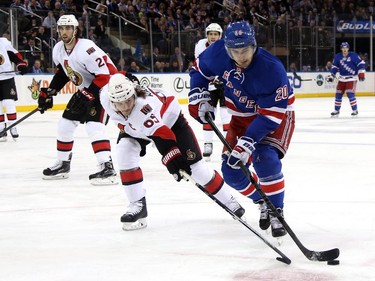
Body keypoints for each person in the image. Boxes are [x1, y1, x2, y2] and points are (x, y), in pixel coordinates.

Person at [188, 21, 295, 238]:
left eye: (245, 49)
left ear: (254, 45)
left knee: (263, 157)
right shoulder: (217, 52)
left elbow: (271, 115)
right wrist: (199, 96)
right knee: (231, 171)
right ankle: (263, 201)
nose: (240, 56)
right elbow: (199, 70)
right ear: (227, 48)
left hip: (274, 116)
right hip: (240, 116)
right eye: (235, 51)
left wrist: (248, 142)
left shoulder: (271, 68)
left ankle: (276, 210)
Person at [100, 73, 245, 231]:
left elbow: (163, 136)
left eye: (129, 100)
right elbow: (115, 75)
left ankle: (229, 200)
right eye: (120, 104)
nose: (126, 107)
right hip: (135, 130)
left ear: (134, 94)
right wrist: (127, 75)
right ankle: (137, 204)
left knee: (197, 170)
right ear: (112, 101)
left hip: (170, 123)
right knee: (124, 152)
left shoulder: (143, 107)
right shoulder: (104, 96)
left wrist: (173, 159)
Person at [37, 14, 118, 185]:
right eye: (61, 28)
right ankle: (63, 164)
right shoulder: (58, 49)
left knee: (94, 126)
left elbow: (105, 76)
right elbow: (63, 73)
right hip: (86, 90)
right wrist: (50, 91)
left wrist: (87, 95)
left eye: (68, 28)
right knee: (65, 125)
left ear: (75, 30)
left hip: (106, 90)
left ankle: (107, 167)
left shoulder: (86, 48)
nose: (64, 32)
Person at [194, 23, 231, 160]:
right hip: (209, 87)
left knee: (226, 115)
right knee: (208, 114)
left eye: (215, 34)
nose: (213, 36)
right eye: (210, 34)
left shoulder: (226, 47)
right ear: (207, 35)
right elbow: (200, 66)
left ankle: (228, 144)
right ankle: (208, 144)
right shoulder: (200, 47)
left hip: (224, 86)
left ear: (220, 36)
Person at [0, 35, 28, 141]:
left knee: (8, 102)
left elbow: (14, 55)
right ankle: (1, 128)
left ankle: (13, 126)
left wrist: (21, 64)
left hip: (6, 78)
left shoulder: (3, 42)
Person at [328, 42, 366, 117]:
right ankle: (336, 110)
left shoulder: (353, 55)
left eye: (346, 48)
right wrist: (331, 76)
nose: (344, 49)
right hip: (342, 79)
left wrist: (361, 73)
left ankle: (355, 110)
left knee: (350, 94)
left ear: (348, 48)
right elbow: (334, 67)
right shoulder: (338, 56)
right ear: (341, 48)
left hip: (351, 78)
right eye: (343, 48)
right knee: (338, 94)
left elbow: (361, 63)